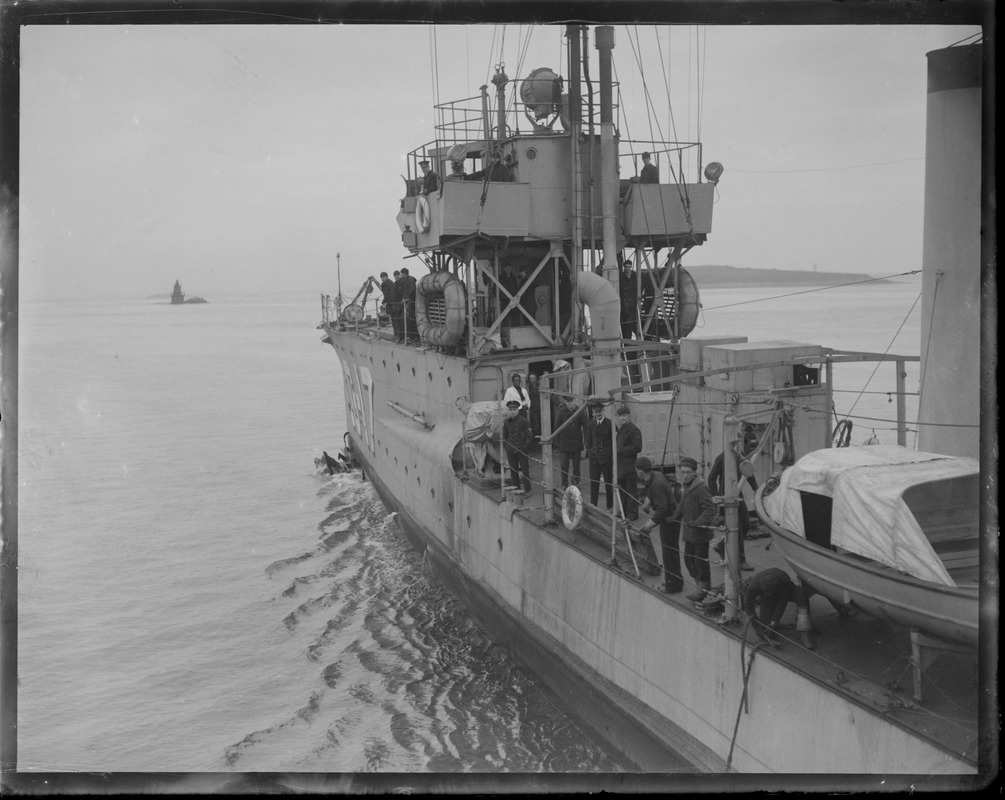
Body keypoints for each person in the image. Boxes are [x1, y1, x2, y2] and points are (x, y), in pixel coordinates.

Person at [672, 456, 718, 602]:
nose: (685, 475)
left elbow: (710, 510)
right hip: (689, 533)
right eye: (682, 472)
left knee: (700, 562)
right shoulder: (686, 485)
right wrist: (674, 518)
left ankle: (703, 588)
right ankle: (699, 586)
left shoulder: (701, 488)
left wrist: (698, 522)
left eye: (688, 472)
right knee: (688, 559)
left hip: (700, 533)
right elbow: (682, 504)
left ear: (694, 472)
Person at [636, 457, 683, 594]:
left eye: (637, 470)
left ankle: (672, 585)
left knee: (669, 552)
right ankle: (676, 580)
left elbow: (661, 510)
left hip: (669, 520)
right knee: (672, 551)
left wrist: (648, 524)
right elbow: (652, 490)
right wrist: (647, 502)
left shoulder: (656, 485)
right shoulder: (656, 475)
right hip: (672, 516)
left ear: (640, 471)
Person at [707, 451, 755, 571]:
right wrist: (716, 497)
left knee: (746, 525)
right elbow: (711, 478)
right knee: (736, 526)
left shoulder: (741, 456)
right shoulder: (721, 458)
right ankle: (741, 560)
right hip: (726, 496)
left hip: (738, 494)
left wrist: (756, 489)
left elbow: (748, 473)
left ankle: (721, 546)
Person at [743, 568, 795, 644]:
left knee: (801, 596)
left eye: (770, 592)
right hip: (766, 596)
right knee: (765, 629)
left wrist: (774, 622)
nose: (769, 594)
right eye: (767, 592)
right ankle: (770, 622)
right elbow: (748, 605)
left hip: (782, 589)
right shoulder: (753, 586)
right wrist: (756, 625)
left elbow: (782, 603)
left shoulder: (784, 580)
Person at [583, 401, 614, 511]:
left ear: (603, 411)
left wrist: (608, 453)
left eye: (600, 411)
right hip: (594, 459)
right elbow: (588, 439)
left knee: (608, 482)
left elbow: (613, 441)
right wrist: (591, 451)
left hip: (606, 458)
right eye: (596, 412)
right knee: (594, 482)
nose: (598, 414)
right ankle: (593, 506)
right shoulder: (591, 424)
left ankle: (610, 507)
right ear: (593, 413)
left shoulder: (610, 424)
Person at [614, 405, 643, 519]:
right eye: (620, 416)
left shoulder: (633, 430)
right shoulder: (621, 429)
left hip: (629, 465)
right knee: (622, 490)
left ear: (629, 416)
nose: (622, 418)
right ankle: (624, 511)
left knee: (631, 490)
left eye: (624, 416)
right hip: (621, 465)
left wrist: (622, 450)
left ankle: (632, 514)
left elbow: (638, 447)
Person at [554, 396, 586, 489]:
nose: (570, 403)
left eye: (571, 401)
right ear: (565, 402)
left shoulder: (580, 411)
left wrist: (586, 441)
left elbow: (586, 426)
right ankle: (564, 484)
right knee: (564, 465)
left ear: (574, 401)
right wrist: (557, 442)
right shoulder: (561, 411)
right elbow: (557, 427)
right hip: (564, 443)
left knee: (576, 465)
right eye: (568, 402)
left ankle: (575, 483)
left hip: (576, 442)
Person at [502, 399, 533, 493]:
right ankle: (516, 490)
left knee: (525, 471)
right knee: (513, 471)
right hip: (511, 450)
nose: (513, 411)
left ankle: (527, 490)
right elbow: (505, 436)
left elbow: (530, 437)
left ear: (518, 410)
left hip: (521, 449)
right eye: (511, 410)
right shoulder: (507, 422)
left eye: (514, 409)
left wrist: (524, 447)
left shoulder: (524, 421)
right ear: (508, 411)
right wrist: (507, 447)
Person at [619, 259, 639, 341]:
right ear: (624, 267)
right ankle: (626, 342)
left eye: (629, 267)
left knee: (631, 324)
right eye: (626, 267)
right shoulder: (621, 277)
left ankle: (630, 342)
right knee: (625, 326)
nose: (627, 269)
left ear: (631, 267)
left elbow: (640, 287)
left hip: (632, 306)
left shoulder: (635, 276)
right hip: (623, 306)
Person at [400, 267, 419, 343]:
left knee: (411, 318)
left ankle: (415, 336)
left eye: (401, 273)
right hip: (409, 302)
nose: (401, 275)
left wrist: (407, 298)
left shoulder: (409, 280)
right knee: (408, 319)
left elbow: (411, 290)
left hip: (411, 302)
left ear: (404, 274)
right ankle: (412, 336)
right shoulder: (406, 280)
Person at [390, 269, 405, 341]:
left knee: (401, 321)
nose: (396, 277)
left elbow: (403, 293)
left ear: (400, 275)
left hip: (401, 305)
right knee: (396, 321)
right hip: (395, 305)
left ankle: (401, 336)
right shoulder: (394, 284)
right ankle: (398, 335)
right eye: (395, 276)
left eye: (397, 275)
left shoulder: (402, 283)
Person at [527, 373, 541, 440]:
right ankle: (535, 440)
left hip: (541, 408)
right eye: (531, 378)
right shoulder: (528, 388)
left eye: (533, 378)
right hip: (533, 409)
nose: (532, 380)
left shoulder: (540, 386)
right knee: (535, 425)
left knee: (541, 424)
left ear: (536, 379)